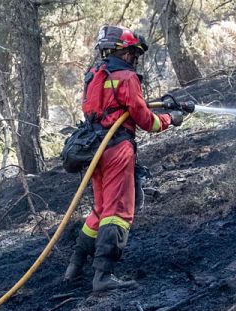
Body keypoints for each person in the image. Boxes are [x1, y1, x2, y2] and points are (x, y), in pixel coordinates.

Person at [63, 26, 185, 292]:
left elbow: (112, 108)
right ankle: (102, 277)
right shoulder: (127, 77)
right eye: (133, 53)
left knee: (100, 210)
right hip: (117, 150)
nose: (134, 58)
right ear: (125, 51)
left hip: (94, 150)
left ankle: (74, 267)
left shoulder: (94, 75)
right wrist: (171, 119)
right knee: (118, 212)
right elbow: (146, 121)